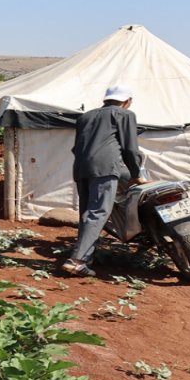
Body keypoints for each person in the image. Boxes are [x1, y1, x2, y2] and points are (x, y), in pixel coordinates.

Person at [58, 84, 147, 277]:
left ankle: (85, 257)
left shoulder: (86, 116)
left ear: (106, 99)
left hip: (81, 167)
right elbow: (130, 148)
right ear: (127, 101)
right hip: (105, 168)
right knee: (98, 212)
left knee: (87, 213)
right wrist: (136, 173)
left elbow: (78, 146)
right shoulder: (124, 115)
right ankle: (77, 260)